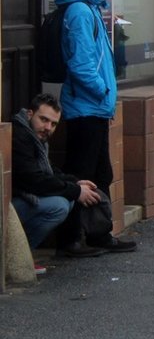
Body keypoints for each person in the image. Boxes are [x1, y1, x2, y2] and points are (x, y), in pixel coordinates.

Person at [55, 0, 135, 254]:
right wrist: (102, 91)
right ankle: (70, 239)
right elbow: (81, 63)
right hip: (86, 106)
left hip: (94, 106)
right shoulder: (80, 11)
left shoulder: (89, 8)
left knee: (101, 174)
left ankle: (99, 233)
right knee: (81, 175)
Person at [12, 94, 103, 265]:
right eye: (43, 119)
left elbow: (49, 171)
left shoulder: (34, 137)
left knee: (65, 201)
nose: (48, 127)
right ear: (30, 114)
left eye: (53, 124)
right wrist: (75, 191)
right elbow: (34, 180)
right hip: (10, 205)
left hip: (21, 198)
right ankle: (18, 258)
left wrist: (74, 183)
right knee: (58, 206)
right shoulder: (19, 136)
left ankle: (21, 254)